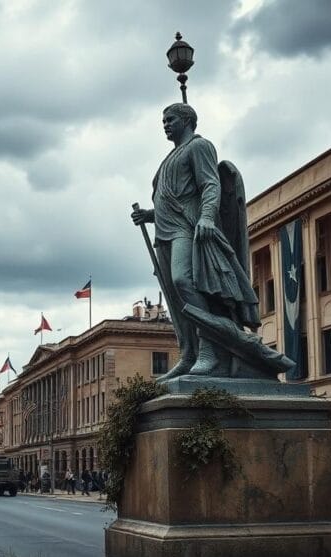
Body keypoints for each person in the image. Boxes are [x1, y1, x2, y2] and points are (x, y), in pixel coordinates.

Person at [131, 103, 259, 378]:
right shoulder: (169, 158)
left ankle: (209, 352)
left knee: (183, 281)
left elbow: (210, 184)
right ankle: (188, 353)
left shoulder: (199, 146)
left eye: (170, 119)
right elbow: (173, 197)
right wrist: (149, 215)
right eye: (163, 121)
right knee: (175, 298)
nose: (165, 125)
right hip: (163, 233)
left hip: (187, 227)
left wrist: (208, 217)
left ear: (187, 120)